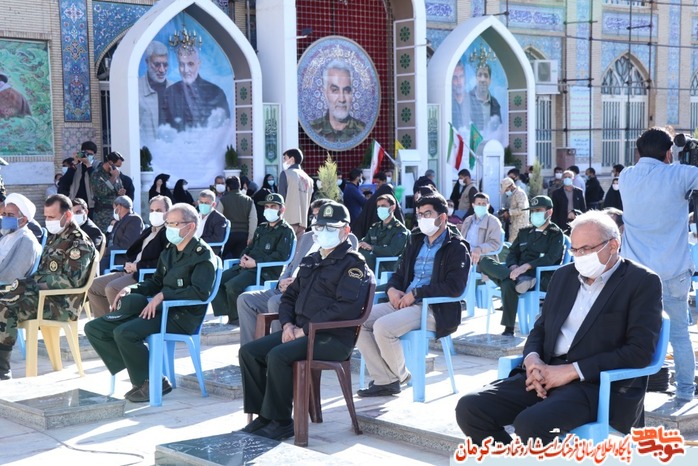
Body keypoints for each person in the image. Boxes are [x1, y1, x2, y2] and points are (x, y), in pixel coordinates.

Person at [455, 211, 662, 445]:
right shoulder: (564, 276)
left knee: (531, 423)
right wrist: (532, 360)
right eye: (574, 250)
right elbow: (541, 328)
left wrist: (573, 371)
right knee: (471, 408)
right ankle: (510, 459)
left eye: (586, 249)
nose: (579, 256)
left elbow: (640, 351)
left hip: (595, 385)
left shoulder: (642, 281)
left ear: (613, 245)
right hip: (546, 373)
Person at [237, 201, 373, 440]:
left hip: (332, 337)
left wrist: (306, 330)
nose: (324, 232)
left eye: (331, 228)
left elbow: (345, 308)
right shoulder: (312, 260)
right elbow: (289, 297)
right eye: (320, 227)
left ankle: (281, 422)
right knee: (250, 352)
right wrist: (288, 324)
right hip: (301, 331)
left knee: (278, 355)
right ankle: (264, 416)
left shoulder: (354, 265)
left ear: (346, 231)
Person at [85, 203, 217, 402]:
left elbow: (200, 292)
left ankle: (150, 381)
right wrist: (131, 289)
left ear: (190, 226)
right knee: (95, 328)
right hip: (159, 310)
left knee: (124, 333)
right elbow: (156, 282)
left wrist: (163, 296)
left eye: (173, 224)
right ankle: (144, 374)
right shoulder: (170, 250)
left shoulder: (202, 255)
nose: (168, 228)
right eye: (167, 223)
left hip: (182, 315)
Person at [356, 194, 469, 396]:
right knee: (359, 321)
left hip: (433, 308)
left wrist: (417, 293)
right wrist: (391, 289)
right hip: (405, 302)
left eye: (428, 214)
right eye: (419, 214)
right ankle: (385, 380)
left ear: (442, 217)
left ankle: (401, 376)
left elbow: (455, 287)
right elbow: (399, 273)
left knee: (383, 327)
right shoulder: (416, 241)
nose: (422, 218)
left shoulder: (456, 247)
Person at [620, 126, 698, 403]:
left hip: (635, 275)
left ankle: (631, 390)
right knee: (679, 334)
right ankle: (685, 391)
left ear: (638, 152)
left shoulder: (626, 176)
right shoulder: (679, 174)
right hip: (673, 271)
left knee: (634, 333)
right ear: (668, 153)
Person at [0, 194, 96, 380]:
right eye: (46, 217)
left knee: (4, 306)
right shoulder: (55, 238)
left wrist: (37, 283)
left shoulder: (79, 242)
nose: (48, 221)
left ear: (68, 215)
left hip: (61, 303)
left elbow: (71, 281)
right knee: (4, 297)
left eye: (52, 217)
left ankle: (2, 370)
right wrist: (27, 285)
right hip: (42, 297)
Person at [237, 199, 339, 346]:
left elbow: (330, 275)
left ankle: (278, 350)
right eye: (314, 216)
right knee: (246, 300)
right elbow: (291, 266)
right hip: (285, 288)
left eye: (320, 215)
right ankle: (250, 350)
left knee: (276, 302)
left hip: (304, 293)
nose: (316, 219)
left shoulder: (337, 239)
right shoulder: (307, 237)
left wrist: (297, 284)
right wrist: (281, 282)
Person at [478, 195, 564, 337]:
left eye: (538, 210)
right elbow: (512, 252)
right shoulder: (525, 232)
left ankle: (509, 329)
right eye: (532, 211)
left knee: (507, 284)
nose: (534, 214)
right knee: (484, 262)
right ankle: (515, 279)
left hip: (539, 277)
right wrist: (512, 266)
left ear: (549, 212)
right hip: (518, 274)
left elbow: (551, 258)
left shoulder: (555, 234)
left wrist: (526, 266)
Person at [212, 193, 295, 325]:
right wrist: (243, 258)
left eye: (273, 206)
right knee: (216, 280)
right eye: (267, 206)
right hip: (247, 267)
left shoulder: (286, 231)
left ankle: (237, 319)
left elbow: (281, 256)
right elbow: (250, 247)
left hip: (264, 271)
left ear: (282, 209)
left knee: (232, 286)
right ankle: (229, 313)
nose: (269, 209)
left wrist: (256, 263)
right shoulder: (261, 228)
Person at [88, 196, 170, 318]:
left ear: (168, 212)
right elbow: (135, 251)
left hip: (144, 275)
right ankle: (104, 322)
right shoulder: (149, 230)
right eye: (152, 210)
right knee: (93, 286)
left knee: (112, 288)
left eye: (158, 210)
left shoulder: (168, 233)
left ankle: (119, 322)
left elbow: (163, 261)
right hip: (128, 269)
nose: (154, 214)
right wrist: (129, 264)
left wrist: (138, 266)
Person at [164, 45, 230, 132]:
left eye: (190, 64)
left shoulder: (216, 93)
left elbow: (225, 130)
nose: (186, 70)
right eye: (182, 64)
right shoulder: (169, 93)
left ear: (199, 64)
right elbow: (162, 131)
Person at [309, 60, 366, 143]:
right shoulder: (312, 129)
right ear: (325, 93)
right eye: (335, 90)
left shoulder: (363, 130)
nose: (342, 99)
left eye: (347, 90)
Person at [358, 194, 409, 273]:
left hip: (388, 268)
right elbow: (365, 241)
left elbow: (393, 251)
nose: (380, 209)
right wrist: (359, 244)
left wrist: (372, 247)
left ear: (392, 207)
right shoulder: (375, 227)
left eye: (383, 206)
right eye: (378, 206)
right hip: (373, 265)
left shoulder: (399, 229)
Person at [0, 193, 41, 284]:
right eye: (4, 214)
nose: (5, 218)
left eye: (10, 215)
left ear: (23, 220)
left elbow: (10, 277)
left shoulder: (27, 242)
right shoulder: (6, 236)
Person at [351, 171, 405, 240]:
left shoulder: (376, 198)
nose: (376, 186)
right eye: (379, 206)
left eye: (378, 183)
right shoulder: (374, 200)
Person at [100, 196, 144, 273]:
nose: (114, 211)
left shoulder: (134, 219)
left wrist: (106, 251)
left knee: (97, 266)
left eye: (114, 208)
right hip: (111, 255)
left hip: (121, 257)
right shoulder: (119, 221)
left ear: (119, 207)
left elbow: (127, 245)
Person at [458, 193, 502, 267]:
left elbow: (495, 243)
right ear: (473, 205)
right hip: (464, 256)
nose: (481, 206)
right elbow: (462, 238)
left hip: (482, 259)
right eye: (478, 204)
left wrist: (480, 249)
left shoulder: (493, 221)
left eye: (484, 204)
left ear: (488, 205)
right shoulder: (468, 220)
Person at [278, 148, 313, 240]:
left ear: (292, 159)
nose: (284, 161)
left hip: (288, 220)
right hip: (303, 222)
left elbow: (281, 198)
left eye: (285, 158)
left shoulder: (286, 174)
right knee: (298, 248)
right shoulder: (309, 179)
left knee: (286, 247)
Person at [139, 41, 171, 142]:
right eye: (157, 64)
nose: (162, 70)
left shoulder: (176, 90)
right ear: (147, 62)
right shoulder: (135, 89)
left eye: (165, 65)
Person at [219, 176, 257, 259]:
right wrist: (251, 237)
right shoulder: (248, 200)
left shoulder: (223, 200)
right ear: (240, 186)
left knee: (223, 259)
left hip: (228, 235)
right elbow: (253, 220)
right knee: (241, 260)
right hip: (244, 235)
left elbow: (219, 219)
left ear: (228, 187)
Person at [91, 151, 129, 232]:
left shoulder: (115, 173)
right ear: (110, 163)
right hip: (102, 214)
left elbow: (118, 187)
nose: (117, 169)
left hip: (116, 212)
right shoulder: (97, 174)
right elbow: (102, 191)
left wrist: (121, 192)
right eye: (116, 166)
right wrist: (114, 177)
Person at [468, 63, 502, 140]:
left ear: (490, 80)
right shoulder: (468, 99)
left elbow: (499, 131)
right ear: (476, 79)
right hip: (472, 144)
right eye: (479, 75)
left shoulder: (495, 104)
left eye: (486, 76)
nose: (482, 79)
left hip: (490, 144)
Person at [65, 141, 97, 212]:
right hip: (75, 203)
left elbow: (96, 180)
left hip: (91, 205)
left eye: (90, 154)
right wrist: (75, 163)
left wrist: (88, 165)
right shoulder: (76, 166)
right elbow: (65, 182)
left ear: (94, 155)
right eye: (86, 154)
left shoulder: (97, 166)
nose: (87, 156)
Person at [195, 189, 227, 253]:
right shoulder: (195, 216)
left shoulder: (219, 218)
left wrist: (197, 241)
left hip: (209, 250)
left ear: (213, 204)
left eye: (206, 203)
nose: (203, 205)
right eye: (201, 202)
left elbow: (218, 238)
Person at [500, 177, 529, 243]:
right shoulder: (512, 195)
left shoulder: (520, 193)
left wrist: (509, 212)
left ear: (511, 186)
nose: (506, 192)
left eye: (506, 190)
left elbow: (522, 209)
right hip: (513, 226)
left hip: (520, 227)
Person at [451, 61, 469, 131]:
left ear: (465, 79)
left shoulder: (474, 101)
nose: (459, 82)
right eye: (455, 78)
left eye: (461, 77)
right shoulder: (447, 102)